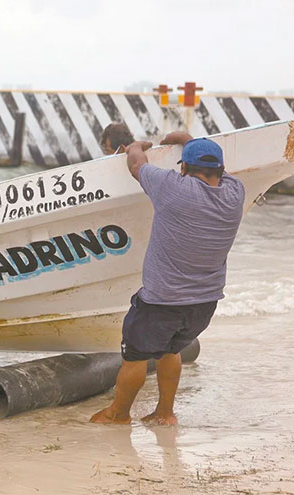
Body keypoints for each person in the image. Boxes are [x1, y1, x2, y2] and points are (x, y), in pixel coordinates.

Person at [90, 131, 245, 425]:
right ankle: (165, 412)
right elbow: (224, 172)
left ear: (183, 168)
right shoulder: (235, 194)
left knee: (134, 357)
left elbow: (137, 165)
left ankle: (119, 414)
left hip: (162, 302)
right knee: (170, 350)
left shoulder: (172, 188)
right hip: (205, 303)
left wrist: (134, 147)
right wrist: (190, 142)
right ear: (221, 170)